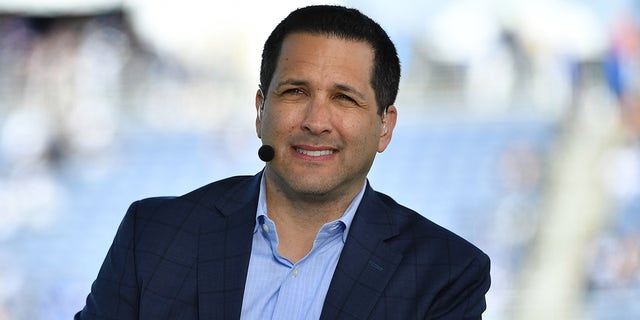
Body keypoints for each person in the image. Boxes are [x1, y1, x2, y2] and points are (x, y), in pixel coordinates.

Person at [75, 5, 490, 319]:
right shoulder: (153, 235)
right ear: (260, 110)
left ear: (385, 126)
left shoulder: (446, 272)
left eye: (344, 98)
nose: (315, 122)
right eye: (295, 92)